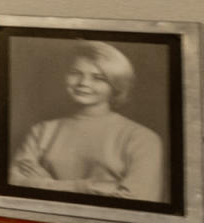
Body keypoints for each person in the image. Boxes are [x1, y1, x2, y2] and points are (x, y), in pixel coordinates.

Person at [11, 42, 165, 201]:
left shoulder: (142, 138)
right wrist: (86, 187)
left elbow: (137, 205)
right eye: (75, 73)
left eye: (98, 78)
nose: (83, 83)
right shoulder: (41, 130)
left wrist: (47, 184)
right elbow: (14, 186)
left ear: (116, 85)